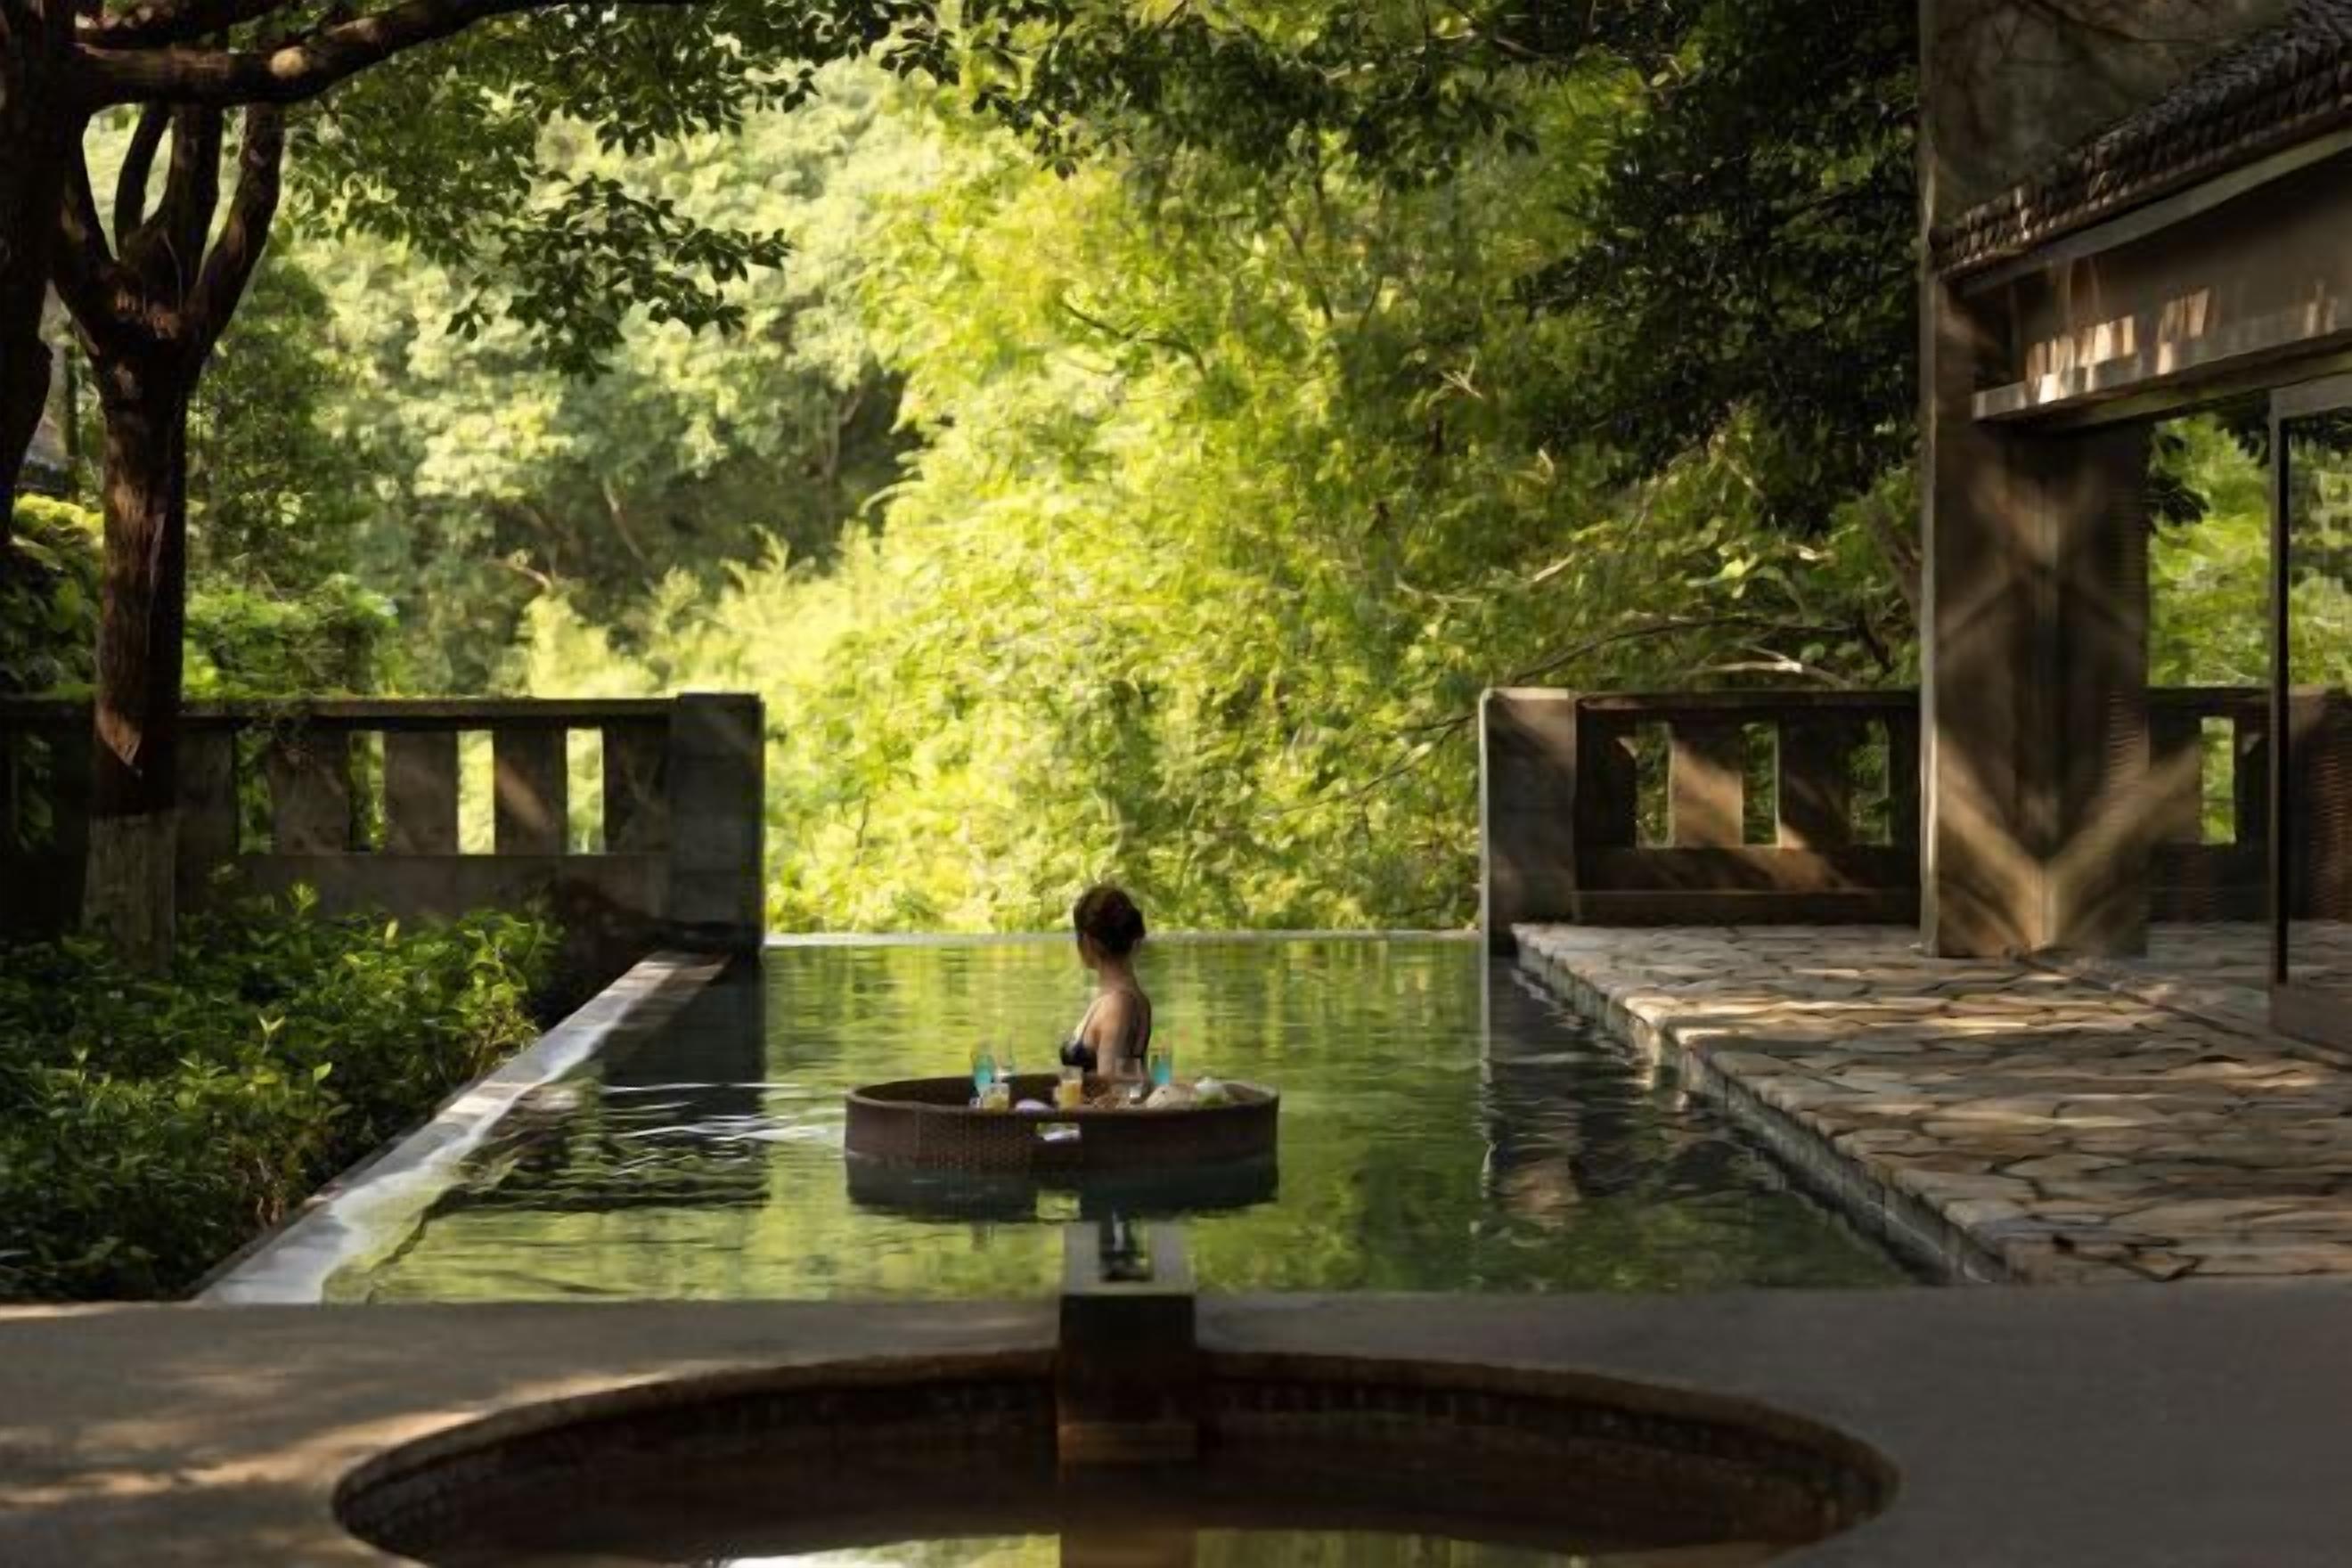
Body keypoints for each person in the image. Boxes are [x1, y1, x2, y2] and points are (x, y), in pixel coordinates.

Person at [1063, 883, 1154, 1096]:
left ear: (1087, 941)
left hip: (1093, 1116)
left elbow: (1110, 1086)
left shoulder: (1116, 1005)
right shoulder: (1128, 998)